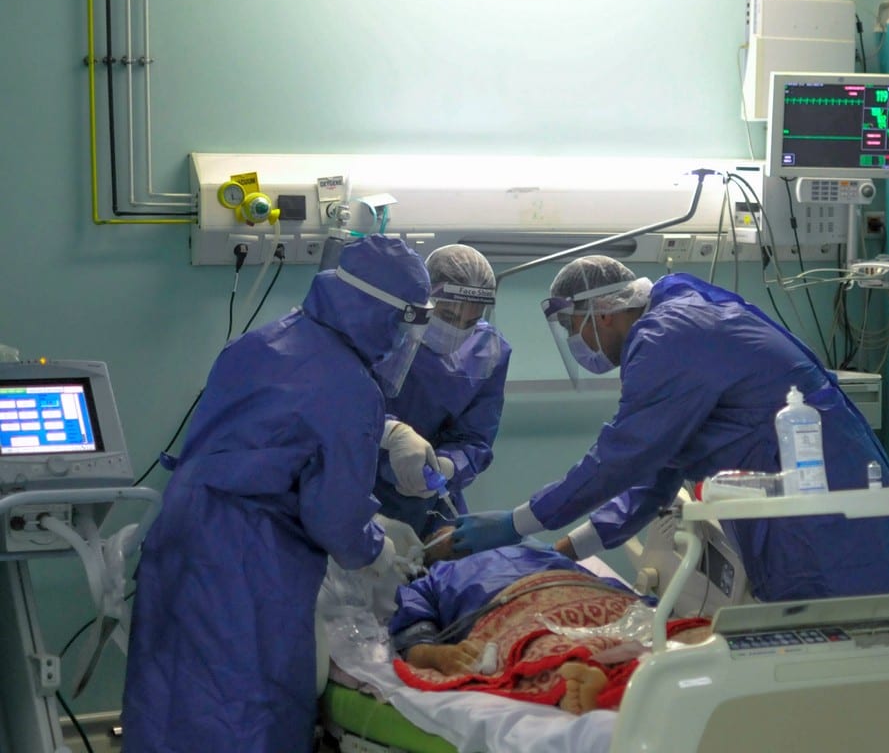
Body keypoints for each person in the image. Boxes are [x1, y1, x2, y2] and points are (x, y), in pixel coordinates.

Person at [451, 256, 889, 604]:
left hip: (825, 515)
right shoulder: (678, 324)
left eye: (575, 327)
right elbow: (657, 472)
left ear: (604, 312)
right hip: (806, 504)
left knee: (860, 649)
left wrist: (519, 522)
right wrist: (568, 550)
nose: (577, 342)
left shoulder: (667, 336)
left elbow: (623, 456)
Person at [121, 235, 435, 753]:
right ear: (381, 312)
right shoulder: (351, 387)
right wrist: (379, 552)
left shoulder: (267, 341)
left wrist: (385, 429)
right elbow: (335, 518)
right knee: (242, 712)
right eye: (406, 321)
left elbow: (275, 422)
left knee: (169, 698)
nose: (405, 336)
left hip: (181, 534)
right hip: (250, 564)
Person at [388, 539, 709, 714]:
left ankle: (626, 670)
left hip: (576, 592)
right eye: (441, 535)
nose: (452, 533)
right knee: (540, 648)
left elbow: (602, 583)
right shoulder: (436, 575)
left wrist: (648, 612)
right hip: (519, 608)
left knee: (644, 629)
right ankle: (608, 686)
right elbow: (413, 628)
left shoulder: (537, 548)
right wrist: (436, 655)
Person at [376, 245, 511, 539]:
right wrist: (389, 433)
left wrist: (449, 466)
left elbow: (474, 436)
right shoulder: (385, 329)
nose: (458, 329)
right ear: (425, 296)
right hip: (356, 485)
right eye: (448, 316)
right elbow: (340, 404)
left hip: (429, 502)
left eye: (471, 321)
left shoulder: (487, 351)